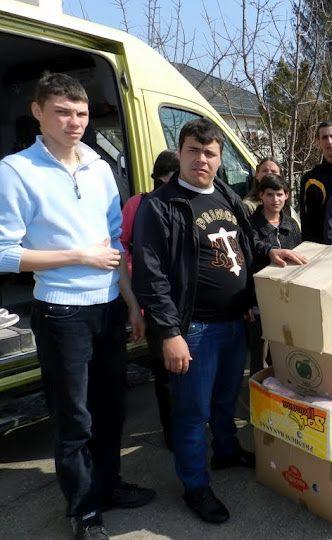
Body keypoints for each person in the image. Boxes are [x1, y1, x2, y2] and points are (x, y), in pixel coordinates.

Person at [0, 73, 155, 539]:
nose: (74, 122)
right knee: (75, 418)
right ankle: (84, 512)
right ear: (38, 113)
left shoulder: (99, 166)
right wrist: (78, 256)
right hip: (61, 312)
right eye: (62, 112)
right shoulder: (16, 170)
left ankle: (109, 486)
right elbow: (5, 253)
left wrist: (131, 302)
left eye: (81, 113)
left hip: (108, 306)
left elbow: (114, 243)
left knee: (111, 408)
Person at [132, 118, 305, 524]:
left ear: (219, 158)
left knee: (226, 399)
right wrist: (170, 333)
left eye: (210, 153)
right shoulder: (160, 205)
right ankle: (196, 486)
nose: (201, 159)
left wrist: (268, 253)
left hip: (234, 322)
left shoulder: (225, 194)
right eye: (193, 151)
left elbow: (246, 241)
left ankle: (226, 451)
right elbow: (150, 276)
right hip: (195, 330)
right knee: (192, 413)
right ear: (180, 153)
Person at [120, 150, 179, 451]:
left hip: (185, 300)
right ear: (162, 176)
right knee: (165, 370)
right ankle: (172, 432)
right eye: (173, 176)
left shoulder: (186, 201)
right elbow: (123, 245)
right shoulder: (138, 204)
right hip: (154, 298)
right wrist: (136, 286)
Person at [247, 174, 302, 374]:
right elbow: (250, 251)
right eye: (270, 194)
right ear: (261, 195)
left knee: (282, 348)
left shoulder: (291, 225)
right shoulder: (250, 224)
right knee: (258, 349)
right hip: (259, 298)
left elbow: (299, 254)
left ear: (286, 195)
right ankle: (257, 387)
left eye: (279, 194)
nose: (275, 200)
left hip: (287, 296)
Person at [299, 121, 332, 242]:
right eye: (324, 137)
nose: (329, 141)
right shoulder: (310, 180)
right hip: (321, 247)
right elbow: (306, 222)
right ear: (318, 142)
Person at [242, 157, 301, 228]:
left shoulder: (287, 209)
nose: (269, 174)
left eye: (273, 171)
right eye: (265, 171)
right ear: (257, 174)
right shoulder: (248, 206)